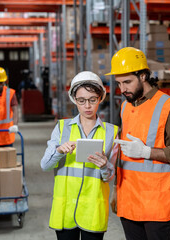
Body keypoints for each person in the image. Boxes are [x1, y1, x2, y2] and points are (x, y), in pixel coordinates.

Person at [106, 47, 170, 240]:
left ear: (143, 76)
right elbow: (123, 154)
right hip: (128, 197)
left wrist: (147, 152)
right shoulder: (126, 106)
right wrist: (115, 190)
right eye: (119, 83)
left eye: (127, 82)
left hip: (156, 201)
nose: (123, 89)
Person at [40, 71, 119, 240]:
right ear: (74, 100)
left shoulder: (111, 132)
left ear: (100, 98)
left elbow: (110, 176)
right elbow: (45, 165)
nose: (87, 106)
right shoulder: (62, 128)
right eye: (81, 101)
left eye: (92, 100)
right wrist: (59, 151)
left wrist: (105, 166)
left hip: (92, 209)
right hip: (65, 208)